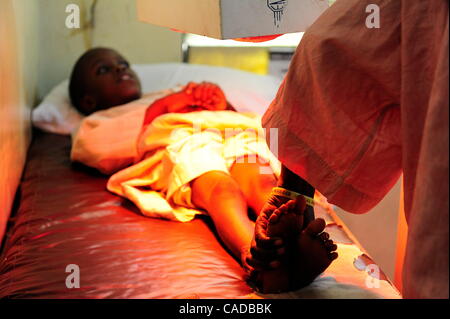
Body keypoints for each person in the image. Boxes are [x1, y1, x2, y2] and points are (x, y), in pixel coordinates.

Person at [69, 48, 338, 293]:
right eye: (103, 69)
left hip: (234, 135)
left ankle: (289, 249)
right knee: (222, 190)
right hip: (186, 142)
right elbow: (96, 148)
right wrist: (167, 105)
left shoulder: (169, 91)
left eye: (122, 62)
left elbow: (232, 119)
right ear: (89, 101)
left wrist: (222, 105)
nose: (119, 68)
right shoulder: (101, 119)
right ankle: (257, 256)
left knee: (265, 184)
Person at [245, 0, 448, 298]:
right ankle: (262, 254)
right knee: (219, 185)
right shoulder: (173, 118)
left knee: (235, 184)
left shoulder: (231, 109)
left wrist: (293, 188)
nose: (200, 91)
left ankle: (261, 257)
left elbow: (333, 52)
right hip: (205, 139)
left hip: (239, 141)